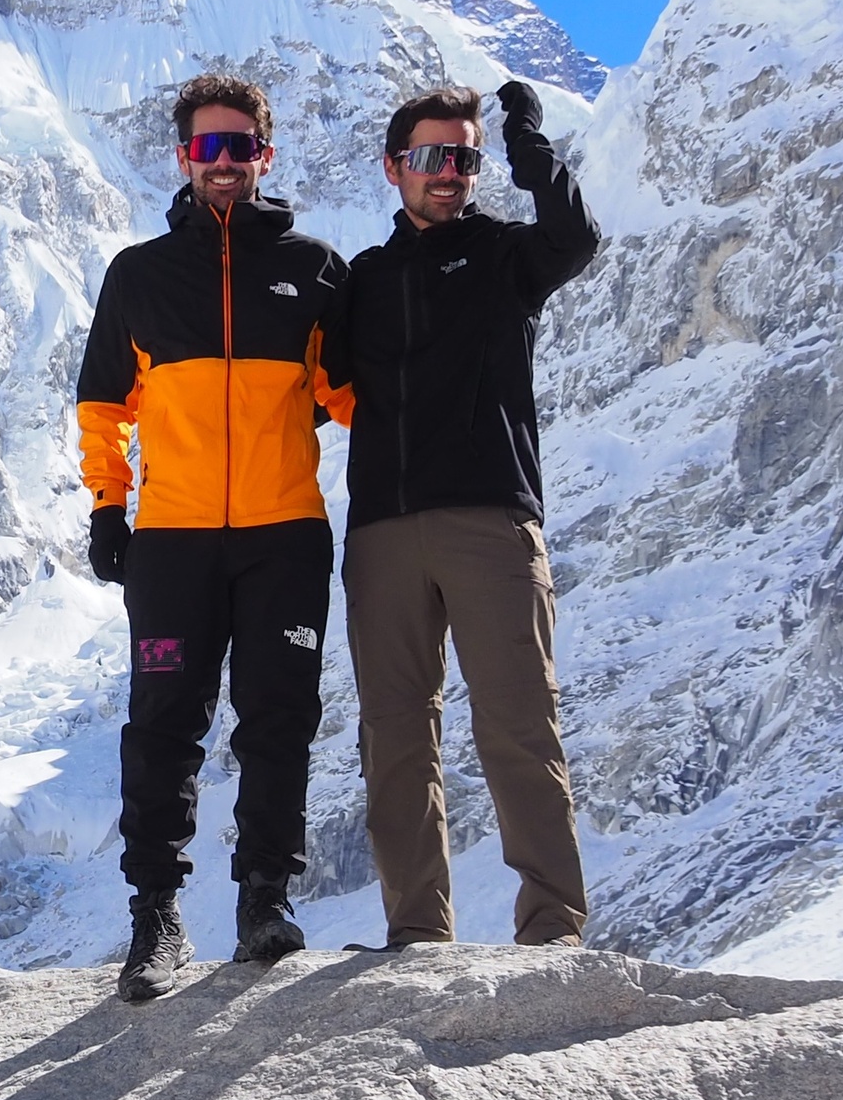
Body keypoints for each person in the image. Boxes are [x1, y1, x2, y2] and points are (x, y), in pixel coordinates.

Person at [76, 75, 354, 1003]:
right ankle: (155, 917)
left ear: (264, 156)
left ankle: (264, 901)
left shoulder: (314, 270)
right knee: (164, 725)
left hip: (285, 534)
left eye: (240, 146)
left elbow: (354, 398)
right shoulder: (140, 274)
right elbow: (102, 406)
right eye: (207, 147)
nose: (224, 162)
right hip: (174, 542)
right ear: (184, 157)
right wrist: (109, 508)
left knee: (280, 720)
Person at [338, 79, 601, 946]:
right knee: (394, 737)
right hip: (381, 532)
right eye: (430, 158)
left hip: (491, 519)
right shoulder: (361, 281)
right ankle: (418, 935)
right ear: (393, 168)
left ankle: (554, 926)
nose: (449, 174)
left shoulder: (504, 255)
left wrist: (524, 138)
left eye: (464, 157)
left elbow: (577, 236)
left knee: (520, 723)